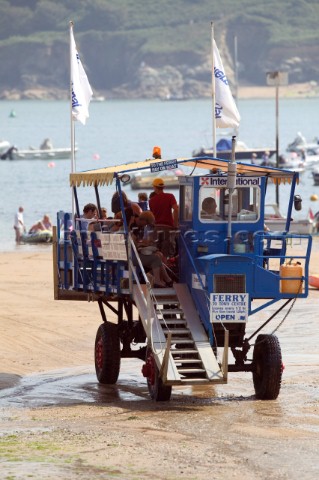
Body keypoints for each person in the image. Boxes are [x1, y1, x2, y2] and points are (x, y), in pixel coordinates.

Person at [149, 178, 179, 257]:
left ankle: (158, 268)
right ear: (163, 187)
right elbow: (176, 209)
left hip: (156, 228)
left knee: (156, 252)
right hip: (168, 228)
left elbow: (152, 216)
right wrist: (175, 224)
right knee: (167, 252)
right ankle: (167, 267)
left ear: (154, 187)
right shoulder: (170, 196)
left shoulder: (151, 200)